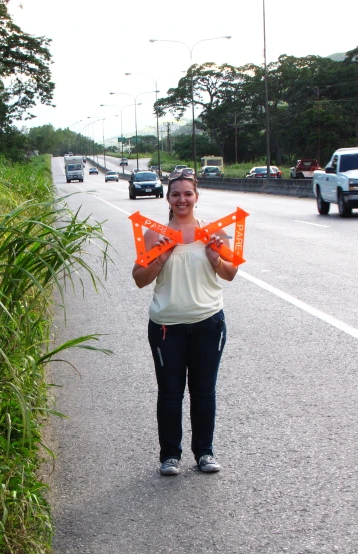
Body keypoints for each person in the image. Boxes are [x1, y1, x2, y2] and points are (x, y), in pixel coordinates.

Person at [132, 168, 238, 476]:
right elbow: (139, 279)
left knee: (204, 391)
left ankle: (204, 452)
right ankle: (170, 456)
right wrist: (160, 257)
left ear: (197, 197)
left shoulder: (214, 232)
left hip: (208, 322)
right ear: (167, 198)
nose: (182, 199)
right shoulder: (154, 234)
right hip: (167, 326)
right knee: (170, 392)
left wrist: (216, 257)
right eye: (176, 194)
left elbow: (230, 273)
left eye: (188, 194)